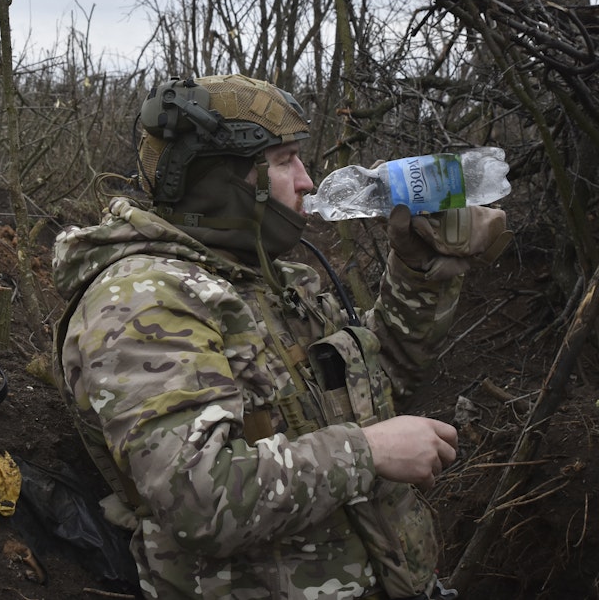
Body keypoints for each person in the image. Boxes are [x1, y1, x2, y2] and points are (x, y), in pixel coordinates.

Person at [50, 74, 512, 600]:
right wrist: (364, 452)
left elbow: (382, 387)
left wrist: (418, 269)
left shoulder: (272, 280)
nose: (308, 181)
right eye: (283, 161)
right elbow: (198, 499)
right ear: (221, 179)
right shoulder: (144, 299)